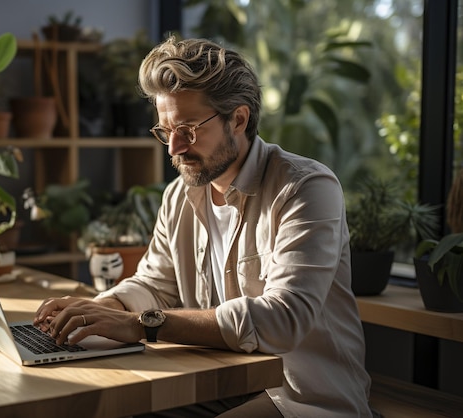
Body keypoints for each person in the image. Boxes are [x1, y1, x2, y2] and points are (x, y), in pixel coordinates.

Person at [34, 36, 372, 417]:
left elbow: (283, 319)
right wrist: (96, 311)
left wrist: (140, 325)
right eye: (165, 131)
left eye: (189, 129)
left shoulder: (306, 188)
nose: (174, 148)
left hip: (302, 395)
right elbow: (154, 284)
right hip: (214, 379)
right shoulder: (180, 194)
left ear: (239, 119)